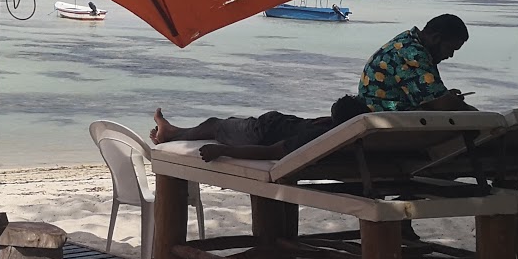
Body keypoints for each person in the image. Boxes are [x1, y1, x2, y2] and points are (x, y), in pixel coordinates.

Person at [150, 94, 370, 161]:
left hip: (261, 133)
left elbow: (272, 151)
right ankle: (173, 132)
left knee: (215, 125)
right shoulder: (362, 135)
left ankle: (171, 134)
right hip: (268, 126)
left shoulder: (321, 138)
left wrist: (223, 151)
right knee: (226, 123)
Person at [357, 13, 476, 112]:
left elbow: (429, 95)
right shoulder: (413, 54)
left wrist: (444, 96)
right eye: (450, 49)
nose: (451, 55)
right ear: (435, 38)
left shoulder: (408, 39)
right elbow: (442, 104)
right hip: (384, 117)